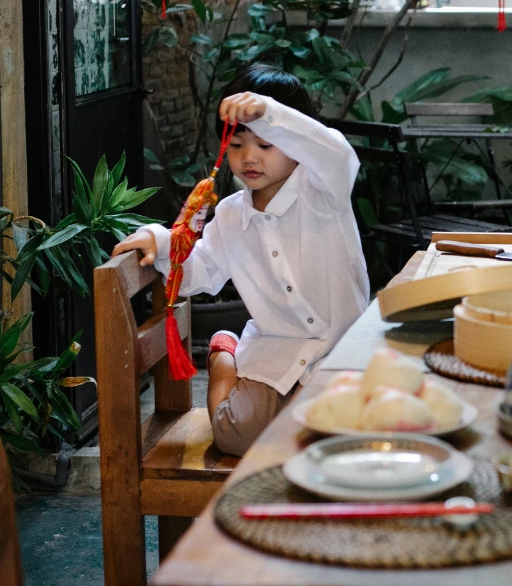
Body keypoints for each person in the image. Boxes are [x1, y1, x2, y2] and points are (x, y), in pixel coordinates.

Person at [112, 64, 370, 456]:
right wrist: (161, 241)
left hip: (342, 353)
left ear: (294, 141)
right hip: (274, 354)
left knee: (330, 438)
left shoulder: (324, 189)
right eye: (236, 144)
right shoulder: (231, 214)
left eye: (266, 144)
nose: (249, 156)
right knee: (236, 436)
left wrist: (269, 112)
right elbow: (200, 273)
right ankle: (225, 356)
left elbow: (336, 152)